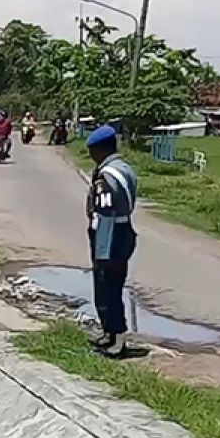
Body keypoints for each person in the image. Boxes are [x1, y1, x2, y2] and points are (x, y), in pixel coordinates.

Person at [85, 125, 138, 358]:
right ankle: (109, 332)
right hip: (122, 230)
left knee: (108, 285)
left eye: (92, 151)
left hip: (110, 233)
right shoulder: (124, 168)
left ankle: (117, 338)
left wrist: (102, 251)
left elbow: (106, 214)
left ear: (100, 150)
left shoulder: (107, 176)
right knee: (109, 285)